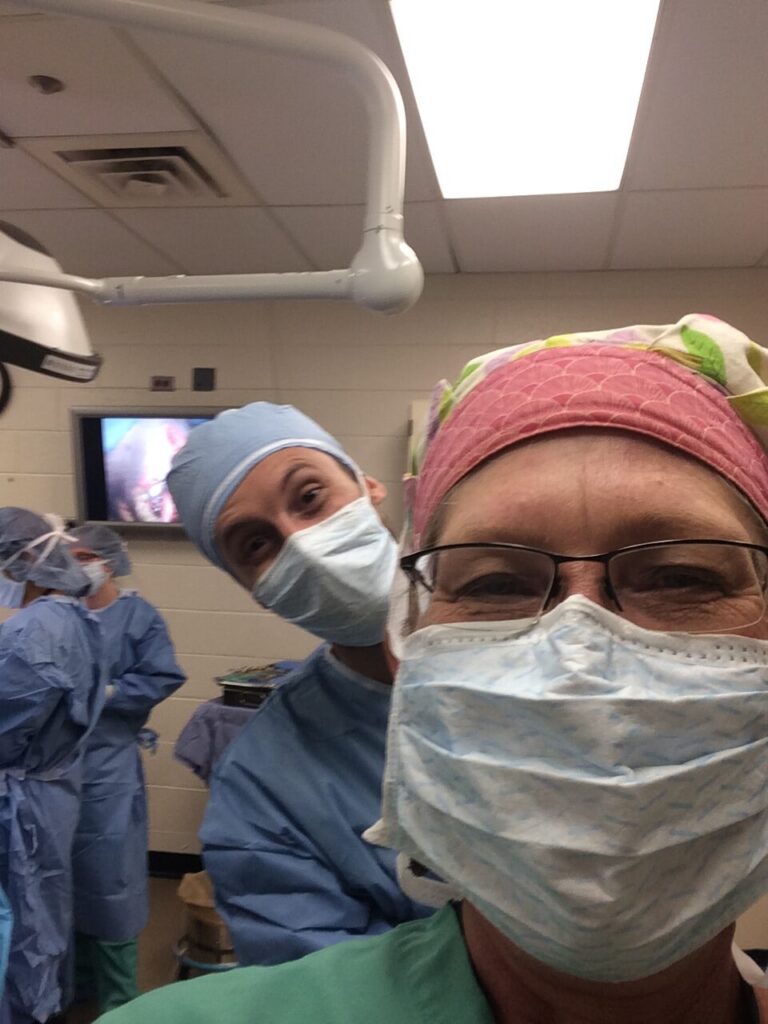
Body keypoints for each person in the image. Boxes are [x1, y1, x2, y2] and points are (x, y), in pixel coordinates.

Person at [101, 314, 768, 1023]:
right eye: (495, 585)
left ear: (369, 485)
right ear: (404, 643)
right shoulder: (268, 787)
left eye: (680, 577)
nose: (580, 660)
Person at [164, 402, 431, 966]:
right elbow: (332, 988)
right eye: (257, 545)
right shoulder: (262, 789)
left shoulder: (552, 631)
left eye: (310, 498)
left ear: (368, 484)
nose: (304, 544)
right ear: (253, 589)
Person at [67, 525, 186, 1014]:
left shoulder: (139, 617)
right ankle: (76, 992)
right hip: (56, 770)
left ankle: (119, 1003)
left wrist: (109, 694)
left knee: (110, 885)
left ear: (110, 561)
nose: (77, 567)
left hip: (108, 772)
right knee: (64, 884)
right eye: (68, 557)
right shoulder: (60, 615)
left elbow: (163, 674)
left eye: (86, 557)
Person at [0, 509, 105, 1024]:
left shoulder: (29, 634)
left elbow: (6, 725)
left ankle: (28, 1011)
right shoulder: (77, 618)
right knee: (45, 905)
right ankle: (47, 1005)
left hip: (25, 798)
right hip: (54, 789)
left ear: (23, 562)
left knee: (26, 916)